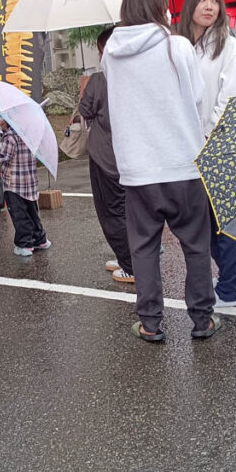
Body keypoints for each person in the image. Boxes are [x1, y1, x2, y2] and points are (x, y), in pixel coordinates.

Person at [102, 0, 219, 342]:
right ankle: (202, 320)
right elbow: (197, 96)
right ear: (159, 9)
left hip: (138, 170)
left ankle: (151, 323)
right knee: (196, 246)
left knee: (144, 249)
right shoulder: (177, 45)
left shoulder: (111, 53)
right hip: (182, 163)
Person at [174, 0, 236, 308]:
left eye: (215, 1)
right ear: (190, 5)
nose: (209, 6)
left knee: (228, 221)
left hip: (221, 147)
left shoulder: (228, 46)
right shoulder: (181, 46)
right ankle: (225, 277)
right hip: (190, 147)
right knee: (201, 221)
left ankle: (230, 288)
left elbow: (235, 95)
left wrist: (209, 133)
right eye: (203, 0)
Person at [79, 27, 134, 283]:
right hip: (133, 156)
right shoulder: (136, 76)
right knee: (132, 211)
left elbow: (85, 111)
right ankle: (131, 258)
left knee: (112, 213)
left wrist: (84, 89)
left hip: (106, 158)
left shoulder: (100, 80)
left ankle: (130, 265)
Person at [0, 120, 50, 257]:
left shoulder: (10, 136)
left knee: (20, 215)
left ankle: (24, 245)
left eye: (1, 119)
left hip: (14, 184)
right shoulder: (28, 134)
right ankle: (40, 240)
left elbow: (4, 156)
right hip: (30, 182)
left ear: (8, 120)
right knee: (32, 212)